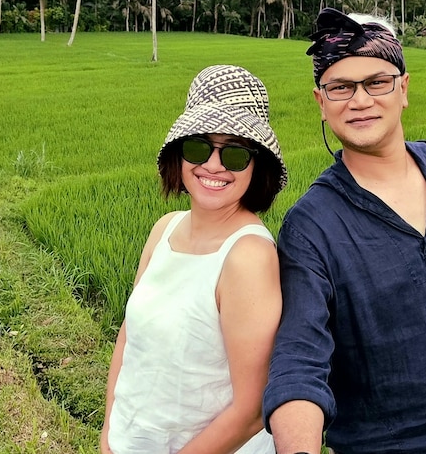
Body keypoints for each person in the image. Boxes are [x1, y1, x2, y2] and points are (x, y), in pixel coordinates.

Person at [262, 8, 426, 454]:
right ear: (320, 102)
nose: (360, 100)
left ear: (403, 88)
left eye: (377, 82)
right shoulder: (312, 226)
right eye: (341, 87)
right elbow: (298, 363)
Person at [102, 64, 287, 454]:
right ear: (179, 154)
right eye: (199, 147)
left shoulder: (247, 255)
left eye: (235, 154)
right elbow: (128, 338)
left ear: (257, 167)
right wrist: (109, 432)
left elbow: (251, 409)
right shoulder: (164, 229)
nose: (214, 165)